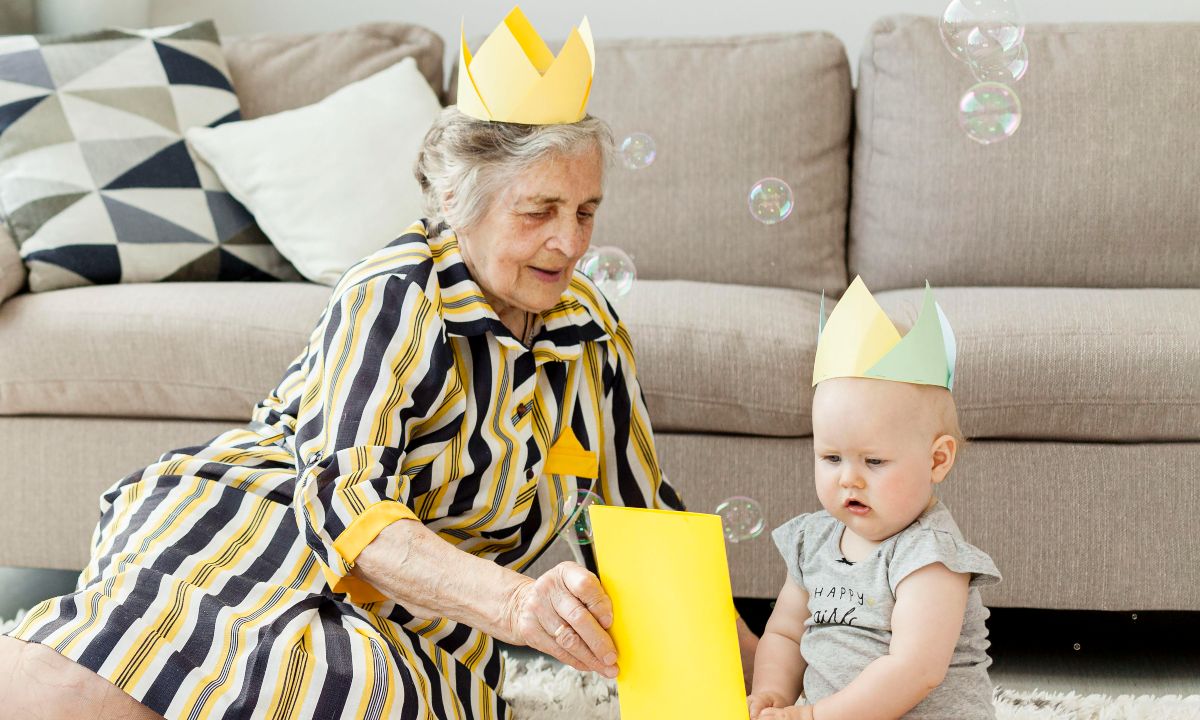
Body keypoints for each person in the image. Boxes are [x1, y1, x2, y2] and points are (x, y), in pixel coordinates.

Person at [0, 68, 760, 720]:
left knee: (356, 688)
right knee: (97, 684)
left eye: (586, 211)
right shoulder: (395, 296)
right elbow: (348, 510)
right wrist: (518, 605)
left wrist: (772, 679)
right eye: (540, 212)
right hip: (270, 526)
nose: (573, 243)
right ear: (461, 199)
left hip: (429, 608)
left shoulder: (589, 327)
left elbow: (648, 519)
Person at [747, 279, 1002, 720]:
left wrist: (812, 716)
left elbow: (914, 669)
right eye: (831, 458)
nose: (849, 479)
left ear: (937, 460)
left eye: (875, 461)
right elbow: (787, 634)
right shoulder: (813, 541)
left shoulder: (930, 556)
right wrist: (772, 692)